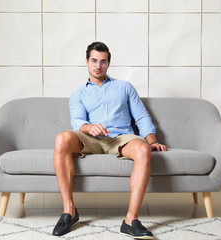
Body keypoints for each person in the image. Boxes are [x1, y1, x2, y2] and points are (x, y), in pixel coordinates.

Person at [52, 41, 167, 239]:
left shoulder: (125, 88)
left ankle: (131, 220)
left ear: (109, 63)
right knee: (62, 139)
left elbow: (141, 117)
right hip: (90, 139)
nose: (98, 66)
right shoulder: (78, 94)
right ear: (87, 61)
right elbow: (78, 121)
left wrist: (151, 140)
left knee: (143, 150)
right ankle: (69, 211)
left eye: (103, 62)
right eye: (94, 61)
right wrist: (89, 127)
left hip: (121, 138)